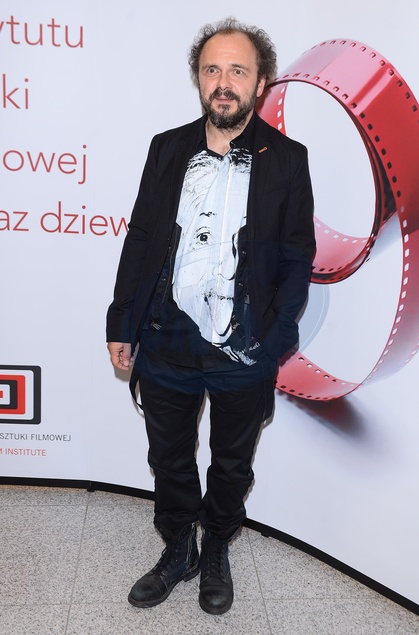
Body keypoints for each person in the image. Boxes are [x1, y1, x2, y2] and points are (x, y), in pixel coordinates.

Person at [106, 16, 316, 616]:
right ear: (198, 78)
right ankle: (179, 548)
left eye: (237, 71)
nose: (223, 83)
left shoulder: (288, 160)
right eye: (212, 70)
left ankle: (217, 545)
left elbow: (297, 255)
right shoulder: (167, 148)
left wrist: (277, 336)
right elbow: (140, 238)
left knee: (231, 461)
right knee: (168, 457)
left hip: (245, 349)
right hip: (164, 338)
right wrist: (121, 322)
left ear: (261, 82)